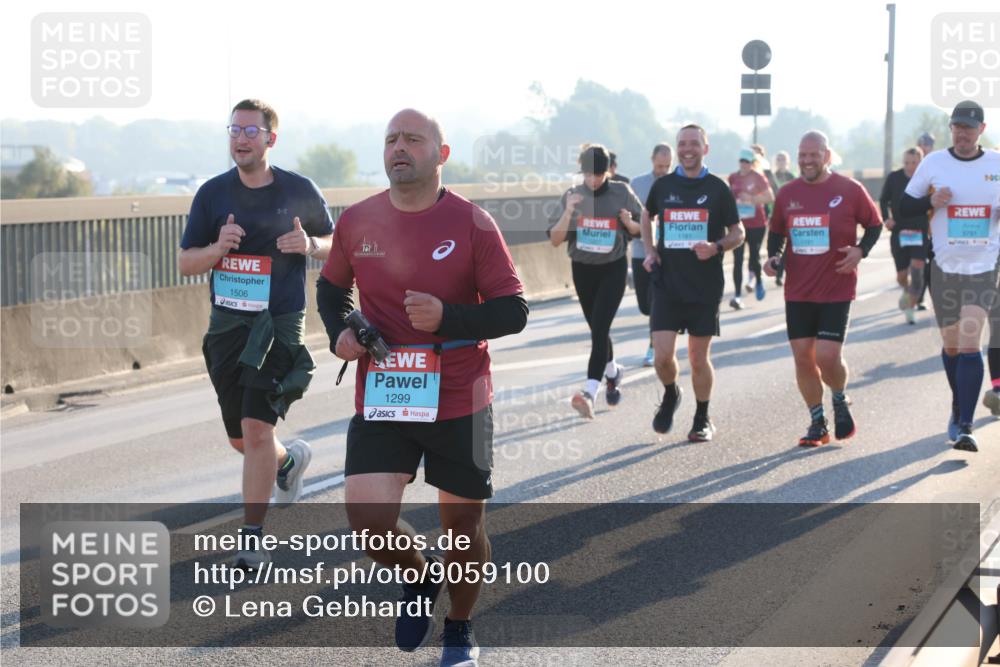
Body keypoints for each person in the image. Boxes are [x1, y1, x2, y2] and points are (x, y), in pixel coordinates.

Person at [317, 108, 527, 665]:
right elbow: (330, 291)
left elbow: (514, 311)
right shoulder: (357, 221)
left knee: (464, 527)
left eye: (413, 139)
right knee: (369, 523)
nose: (399, 148)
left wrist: (449, 318)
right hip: (385, 391)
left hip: (461, 394)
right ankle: (421, 575)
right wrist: (340, 329)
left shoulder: (473, 223)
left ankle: (459, 627)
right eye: (391, 140)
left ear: (441, 153)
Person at [178, 99, 334, 567]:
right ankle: (288, 462)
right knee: (243, 441)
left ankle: (252, 539)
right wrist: (217, 248)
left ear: (271, 138)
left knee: (255, 428)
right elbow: (186, 261)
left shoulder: (299, 189)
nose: (241, 138)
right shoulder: (212, 194)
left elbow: (337, 244)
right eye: (234, 130)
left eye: (251, 130)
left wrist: (308, 244)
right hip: (227, 328)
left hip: (279, 325)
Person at [764, 130, 883, 447]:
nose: (806, 160)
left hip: (836, 287)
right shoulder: (788, 193)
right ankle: (818, 422)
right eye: (802, 155)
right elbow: (776, 233)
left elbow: (874, 224)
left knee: (827, 357)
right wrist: (773, 258)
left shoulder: (849, 189)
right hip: (798, 290)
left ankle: (840, 397)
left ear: (827, 156)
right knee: (804, 358)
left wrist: (861, 251)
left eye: (813, 154)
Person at [900, 101, 1000, 452]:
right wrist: (931, 202)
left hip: (982, 268)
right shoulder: (934, 163)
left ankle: (967, 426)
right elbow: (902, 207)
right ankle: (958, 407)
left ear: (981, 130)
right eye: (957, 126)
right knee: (952, 346)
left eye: (969, 128)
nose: (962, 133)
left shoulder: (997, 164)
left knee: (971, 340)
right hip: (943, 268)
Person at [641, 124, 745, 442]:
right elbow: (647, 216)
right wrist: (649, 251)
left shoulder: (718, 188)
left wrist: (716, 247)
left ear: (705, 149)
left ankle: (702, 417)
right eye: (682, 144)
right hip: (668, 283)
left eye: (694, 144)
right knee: (661, 356)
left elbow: (738, 232)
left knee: (698, 359)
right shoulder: (664, 186)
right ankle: (672, 392)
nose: (687, 149)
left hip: (704, 285)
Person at [550, 144, 644, 418]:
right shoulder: (573, 195)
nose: (593, 180)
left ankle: (590, 391)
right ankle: (613, 371)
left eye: (599, 174)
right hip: (583, 269)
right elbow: (555, 240)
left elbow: (642, 229)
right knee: (597, 329)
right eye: (589, 175)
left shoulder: (621, 193)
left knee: (600, 328)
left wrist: (629, 223)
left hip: (613, 268)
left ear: (608, 171)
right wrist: (568, 212)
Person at [629, 143, 673, 366]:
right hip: (639, 251)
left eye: (667, 166)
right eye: (659, 166)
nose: (663, 171)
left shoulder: (676, 184)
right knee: (645, 306)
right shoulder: (637, 184)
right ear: (651, 160)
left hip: (665, 254)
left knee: (656, 302)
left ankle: (653, 345)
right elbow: (629, 215)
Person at [879, 147, 928, 324]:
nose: (910, 166)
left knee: (917, 271)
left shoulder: (927, 179)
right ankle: (906, 292)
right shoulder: (894, 178)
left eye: (914, 163)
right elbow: (883, 200)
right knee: (901, 276)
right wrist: (886, 219)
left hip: (919, 231)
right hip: (899, 231)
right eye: (907, 162)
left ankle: (910, 307)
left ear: (921, 162)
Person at [729, 148, 775, 307]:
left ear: (752, 163)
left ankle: (759, 282)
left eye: (747, 161)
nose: (744, 164)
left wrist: (752, 198)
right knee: (737, 259)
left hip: (757, 224)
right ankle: (737, 296)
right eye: (741, 161)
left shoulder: (758, 177)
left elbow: (770, 197)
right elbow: (729, 197)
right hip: (739, 224)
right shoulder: (733, 177)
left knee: (754, 256)